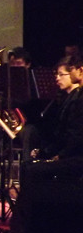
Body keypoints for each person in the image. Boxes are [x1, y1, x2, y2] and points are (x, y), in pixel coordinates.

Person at [23, 55, 83, 183]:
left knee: (31, 169)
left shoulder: (77, 100)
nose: (57, 78)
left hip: (75, 157)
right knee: (30, 165)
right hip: (69, 153)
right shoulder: (67, 99)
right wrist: (45, 151)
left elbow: (74, 137)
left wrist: (58, 155)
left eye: (61, 74)